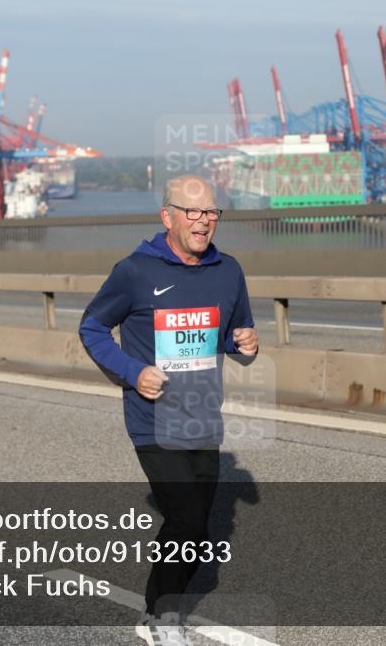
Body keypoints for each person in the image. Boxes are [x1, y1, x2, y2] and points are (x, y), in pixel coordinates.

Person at [78, 175, 258, 645]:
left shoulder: (229, 271)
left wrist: (246, 346)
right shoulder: (136, 271)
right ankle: (162, 620)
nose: (204, 223)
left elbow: (235, 334)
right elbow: (92, 329)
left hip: (203, 417)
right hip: (153, 418)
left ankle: (154, 610)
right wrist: (132, 371)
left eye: (212, 213)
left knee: (194, 528)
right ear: (168, 217)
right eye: (194, 213)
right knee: (187, 520)